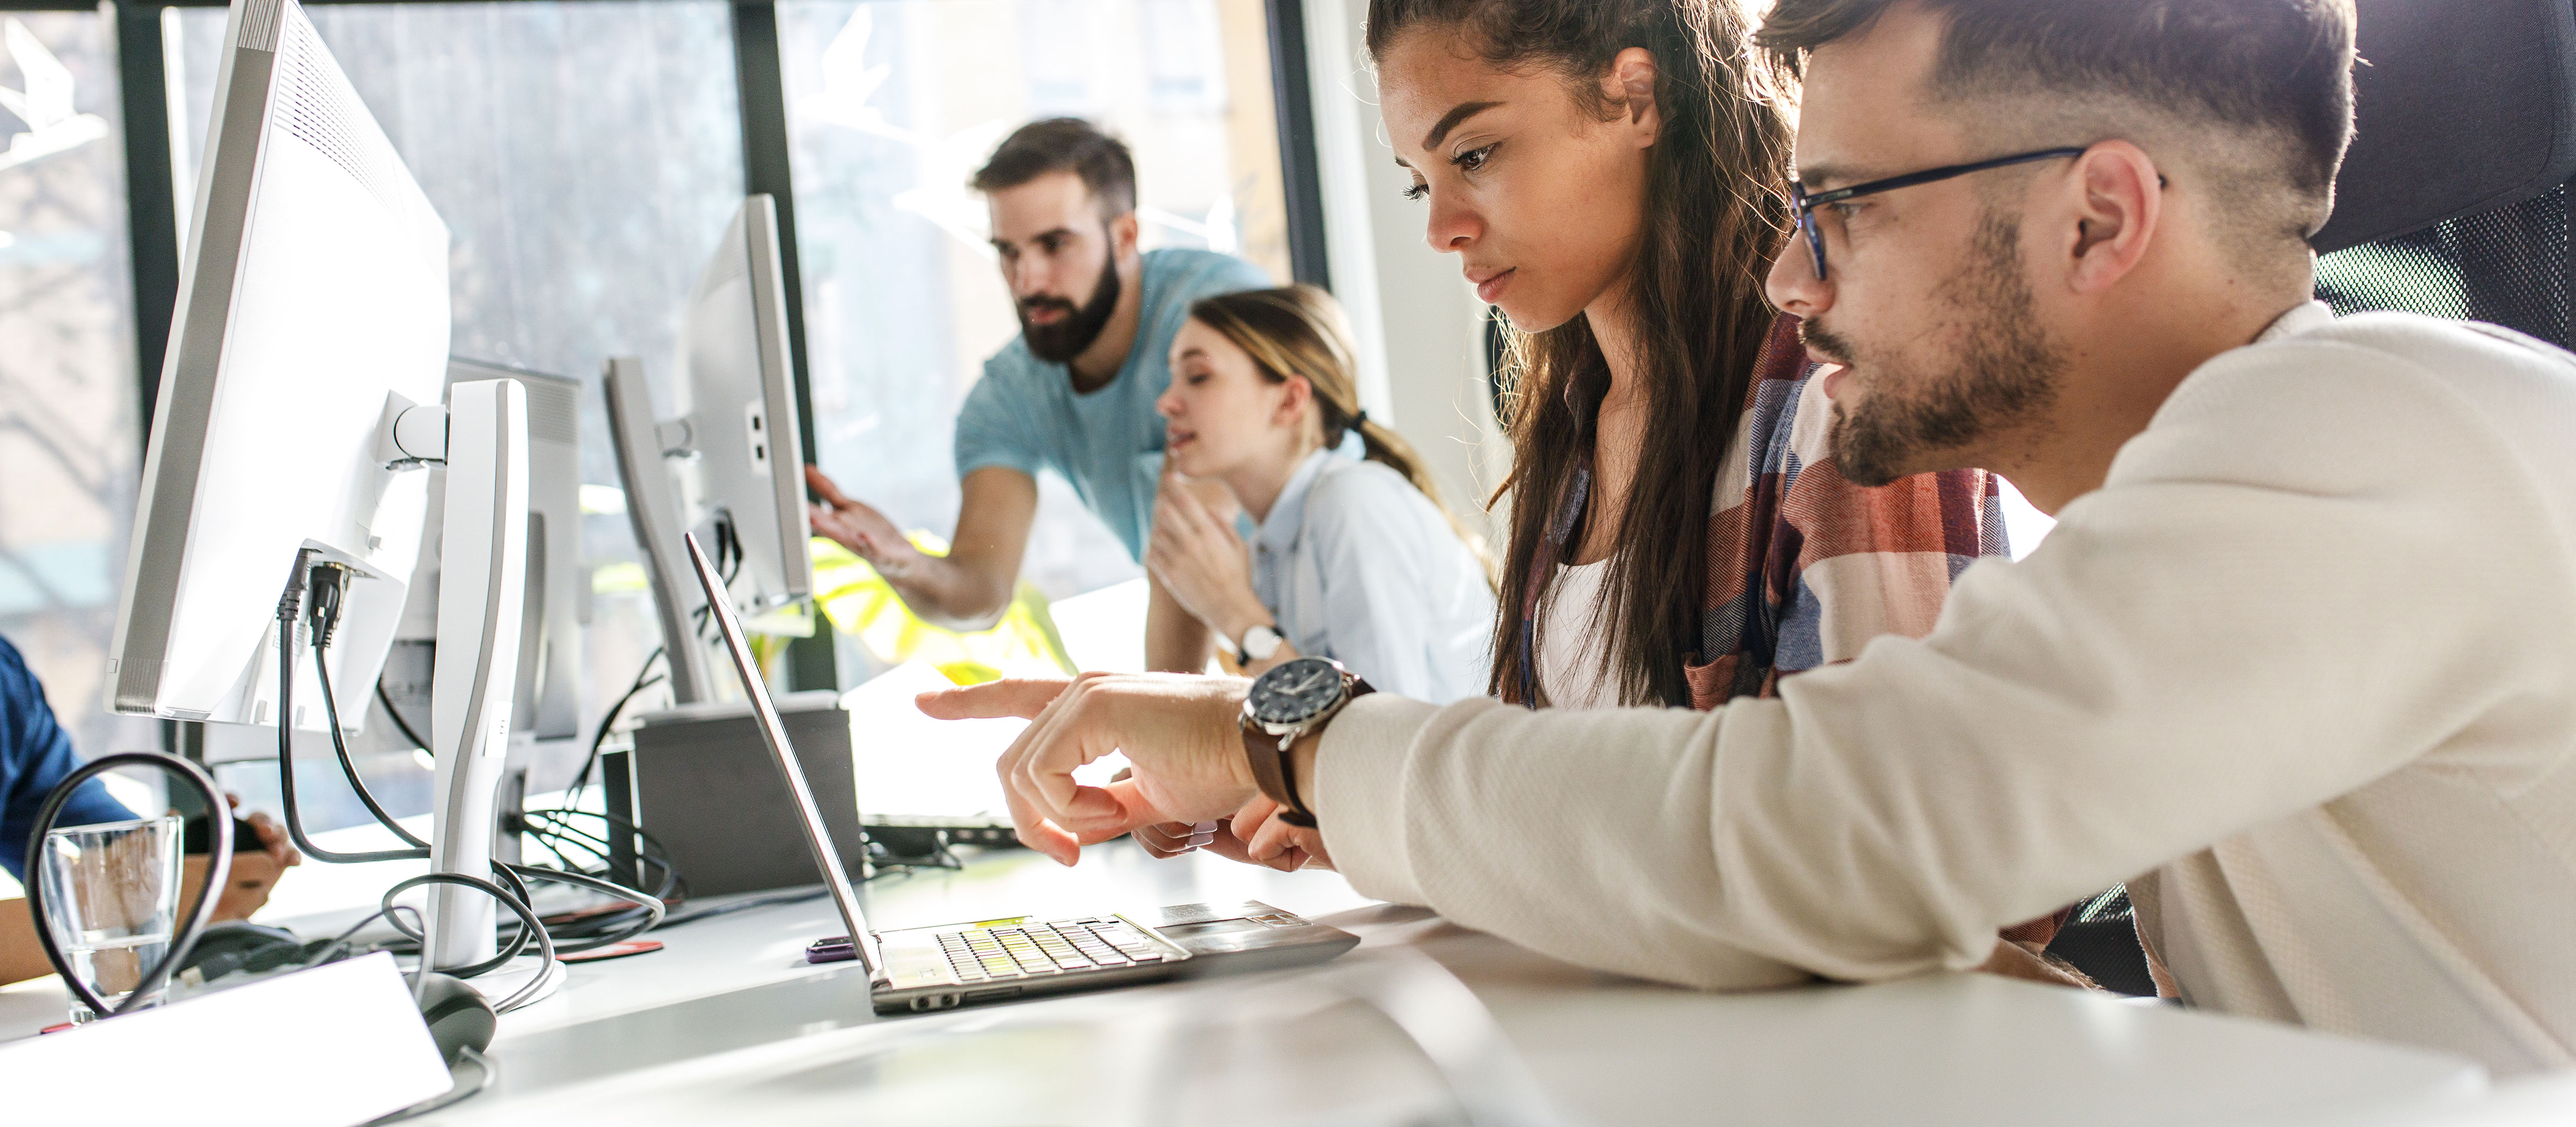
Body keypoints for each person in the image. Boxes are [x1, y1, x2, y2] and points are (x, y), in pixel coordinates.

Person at [933, 0, 2576, 1076]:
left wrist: (1278, 736)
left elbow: (1828, 832)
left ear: (2099, 215)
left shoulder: (2367, 425)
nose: (1793, 282)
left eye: (1843, 209)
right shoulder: (2194, 519)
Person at [804, 118, 1271, 670]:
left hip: (1338, 614)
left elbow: (1190, 551)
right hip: (1255, 659)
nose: (1028, 280)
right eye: (1009, 252)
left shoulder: (1217, 315)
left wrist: (1164, 745)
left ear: (1124, 237)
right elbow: (981, 592)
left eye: (1055, 246)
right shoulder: (1011, 393)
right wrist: (907, 564)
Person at [1144, 285, 1493, 702]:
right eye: (1172, 378)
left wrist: (1237, 615)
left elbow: (1384, 740)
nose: (1166, 403)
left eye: (1198, 376)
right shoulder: (1270, 551)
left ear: (1290, 401)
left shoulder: (1354, 503)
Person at [1, 636, 300, 986]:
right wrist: (109, 904)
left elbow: (76, 817)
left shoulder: (7, 681)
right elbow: (124, 889)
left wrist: (204, 859)